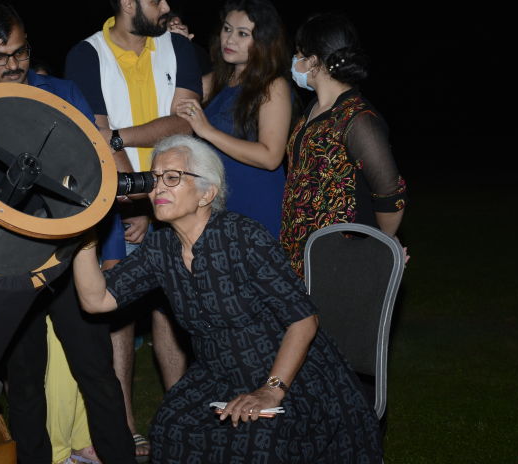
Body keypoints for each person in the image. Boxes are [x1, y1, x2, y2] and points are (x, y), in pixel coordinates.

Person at [72, 134, 383, 463]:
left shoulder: (242, 237)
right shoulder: (160, 247)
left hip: (290, 374)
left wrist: (270, 390)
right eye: (154, 179)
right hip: (216, 376)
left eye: (173, 178)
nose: (158, 188)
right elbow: (97, 300)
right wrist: (83, 231)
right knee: (170, 426)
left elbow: (303, 320)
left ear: (207, 192)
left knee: (259, 438)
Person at [0, 3, 134, 463]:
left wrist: (108, 248)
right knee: (24, 383)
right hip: (8, 268)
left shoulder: (64, 92)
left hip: (70, 259)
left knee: (97, 375)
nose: (13, 66)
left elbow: (96, 171)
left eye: (20, 52)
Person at [65, 1, 202, 456]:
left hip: (180, 200)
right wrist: (138, 201)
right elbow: (99, 134)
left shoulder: (178, 46)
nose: (166, 6)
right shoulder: (86, 54)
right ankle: (124, 422)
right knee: (119, 312)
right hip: (121, 205)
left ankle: (181, 411)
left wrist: (151, 193)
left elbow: (186, 122)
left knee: (175, 309)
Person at [281, 12, 407, 278]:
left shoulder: (358, 119)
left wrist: (380, 246)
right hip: (301, 253)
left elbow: (391, 194)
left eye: (299, 54)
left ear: (313, 61)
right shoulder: (312, 109)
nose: (294, 61)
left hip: (342, 259)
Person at [177, 0, 292, 238]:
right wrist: (176, 48)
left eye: (243, 34)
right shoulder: (218, 80)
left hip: (254, 205)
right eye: (227, 29)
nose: (229, 40)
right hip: (216, 203)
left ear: (263, 41)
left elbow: (271, 157)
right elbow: (173, 98)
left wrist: (207, 130)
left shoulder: (273, 85)